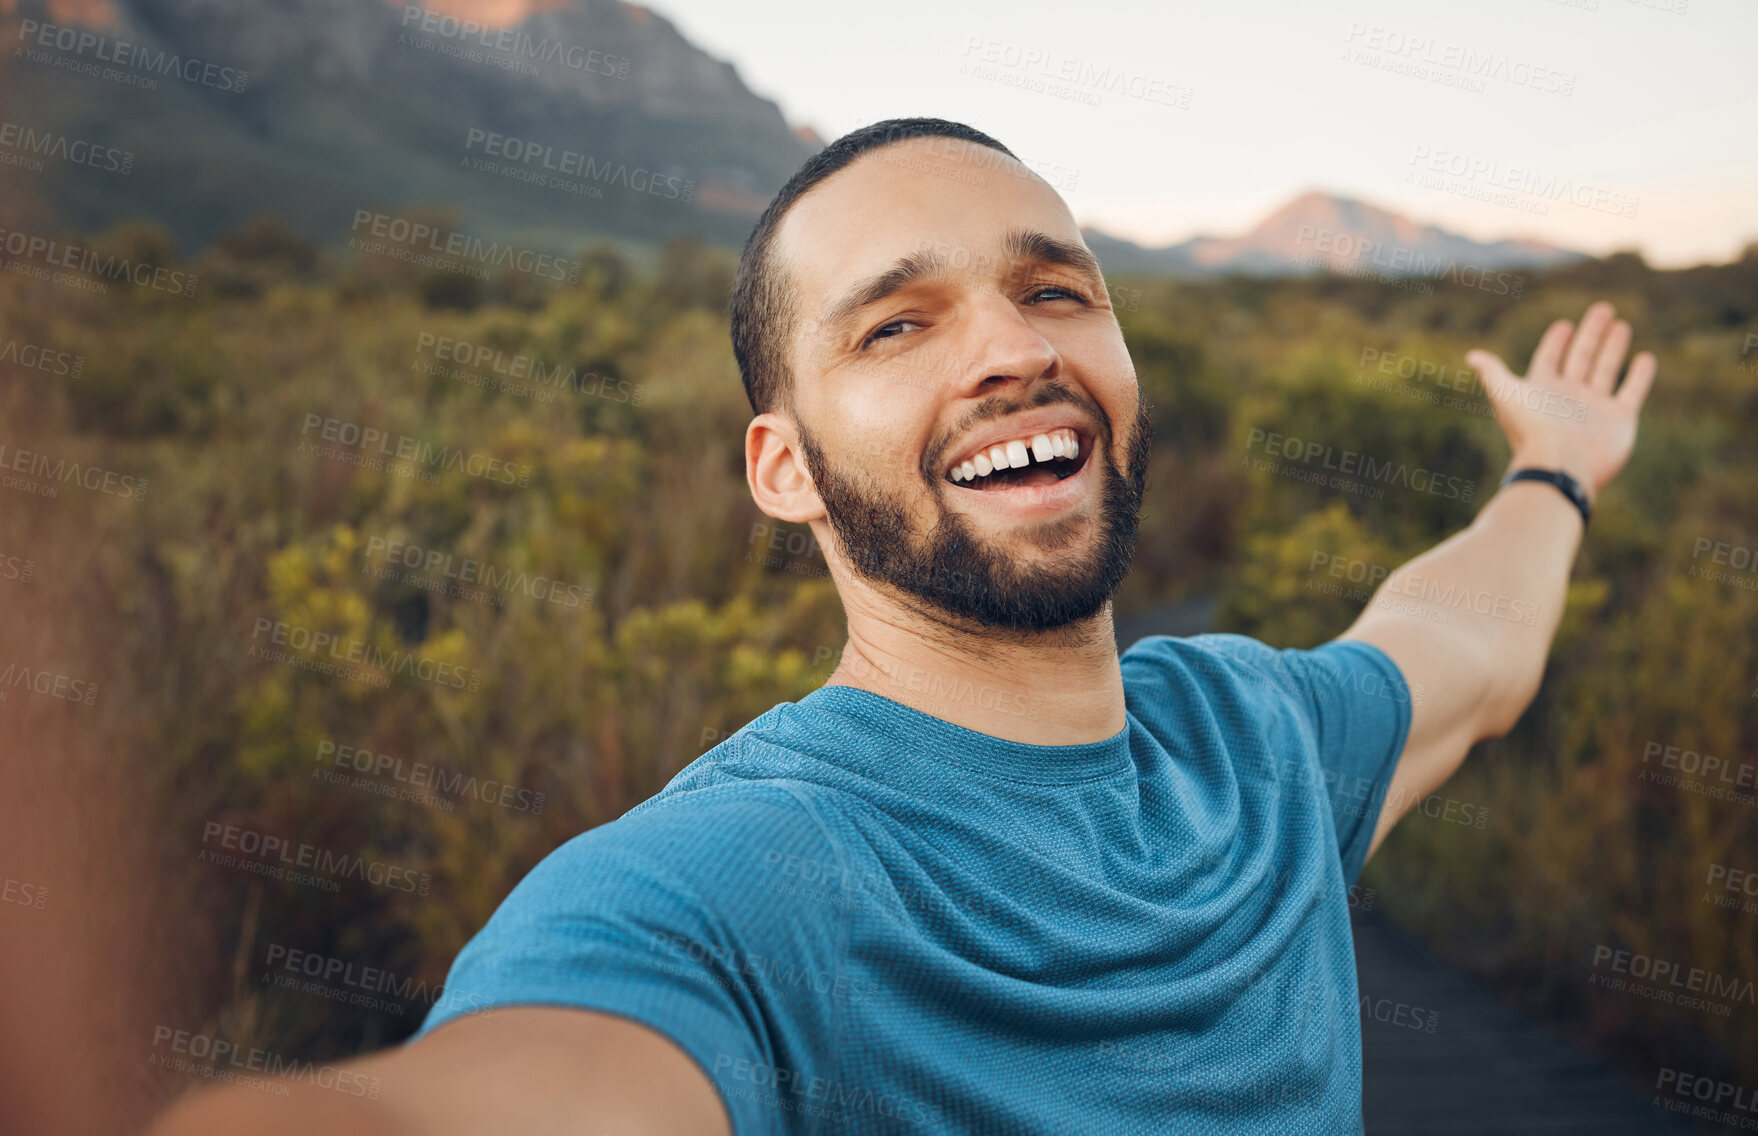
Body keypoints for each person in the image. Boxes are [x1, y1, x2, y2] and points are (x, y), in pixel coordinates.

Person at [150, 117, 1656, 1135]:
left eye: (1053, 290)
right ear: (782, 467)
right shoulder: (728, 887)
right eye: (896, 323)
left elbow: (1468, 647)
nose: (1013, 349)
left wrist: (1554, 465)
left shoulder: (1255, 744)